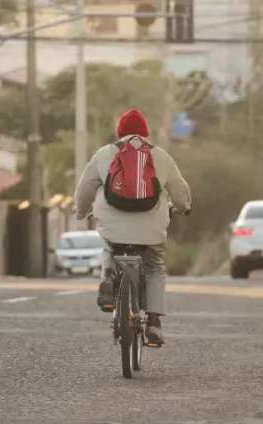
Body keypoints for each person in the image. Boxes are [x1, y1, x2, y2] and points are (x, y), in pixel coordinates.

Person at [75, 108, 191, 346]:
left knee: (109, 246)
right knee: (155, 267)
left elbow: (85, 188)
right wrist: (183, 207)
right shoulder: (161, 156)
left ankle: (108, 279)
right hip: (151, 230)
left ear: (120, 133)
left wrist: (80, 210)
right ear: (146, 133)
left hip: (113, 226)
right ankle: (155, 324)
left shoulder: (104, 154)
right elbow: (180, 193)